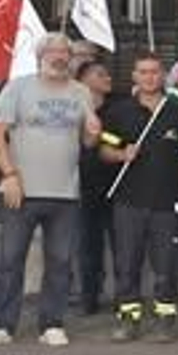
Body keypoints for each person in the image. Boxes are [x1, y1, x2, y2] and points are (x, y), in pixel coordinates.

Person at [0, 33, 102, 347]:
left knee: (60, 261)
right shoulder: (18, 88)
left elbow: (87, 142)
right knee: (11, 259)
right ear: (40, 56)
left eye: (65, 52)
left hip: (65, 191)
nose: (60, 57)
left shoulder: (81, 92)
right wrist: (8, 175)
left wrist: (93, 133)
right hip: (22, 189)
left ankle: (52, 323)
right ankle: (1, 324)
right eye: (53, 52)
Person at [98, 53, 178, 344]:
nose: (149, 77)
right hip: (129, 202)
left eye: (154, 72)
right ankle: (128, 318)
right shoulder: (120, 111)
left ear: (163, 76)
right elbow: (104, 151)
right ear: (134, 76)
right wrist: (122, 154)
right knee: (127, 263)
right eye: (143, 72)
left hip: (167, 204)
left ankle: (165, 319)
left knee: (166, 265)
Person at [74, 59, 116, 315]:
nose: (108, 78)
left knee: (121, 246)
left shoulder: (118, 109)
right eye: (101, 74)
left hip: (115, 186)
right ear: (84, 81)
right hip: (83, 187)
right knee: (88, 246)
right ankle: (89, 297)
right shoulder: (73, 110)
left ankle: (124, 298)